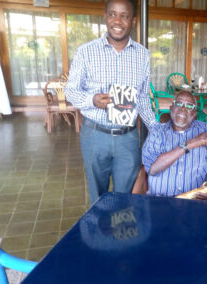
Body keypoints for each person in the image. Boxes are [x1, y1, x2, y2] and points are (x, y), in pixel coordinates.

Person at [65, 0, 157, 205]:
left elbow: (142, 97)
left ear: (132, 21)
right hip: (95, 135)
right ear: (105, 17)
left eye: (124, 15)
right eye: (113, 14)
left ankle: (120, 235)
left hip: (128, 138)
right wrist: (92, 100)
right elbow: (70, 91)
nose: (118, 20)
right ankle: (98, 235)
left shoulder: (143, 55)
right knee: (98, 196)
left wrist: (156, 128)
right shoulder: (86, 52)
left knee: (125, 197)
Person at [140, 91, 207, 202]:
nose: (183, 108)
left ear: (194, 113)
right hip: (161, 203)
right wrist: (190, 144)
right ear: (171, 108)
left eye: (189, 106)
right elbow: (153, 168)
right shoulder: (157, 132)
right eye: (178, 104)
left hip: (196, 203)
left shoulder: (206, 131)